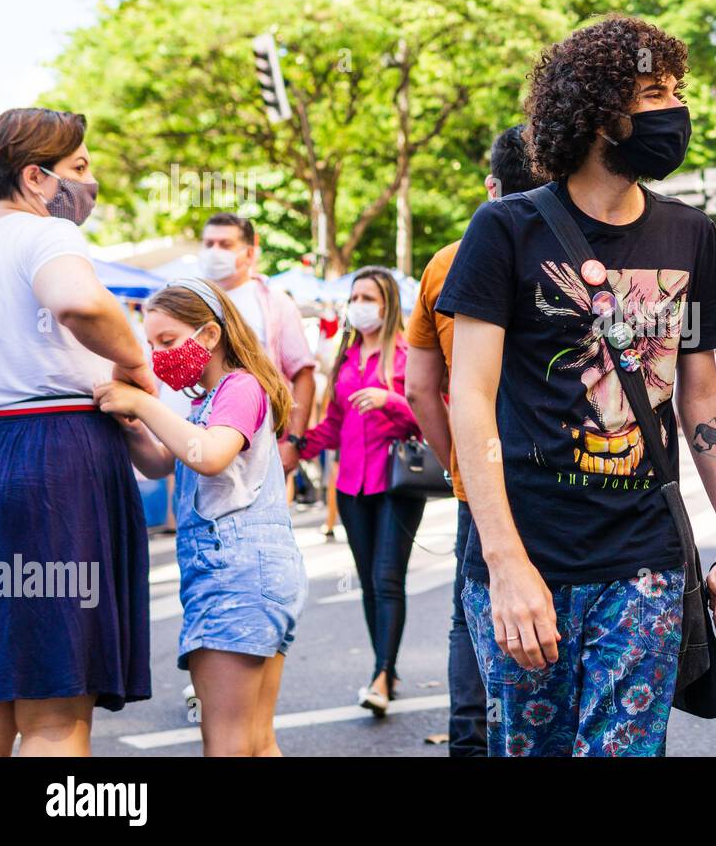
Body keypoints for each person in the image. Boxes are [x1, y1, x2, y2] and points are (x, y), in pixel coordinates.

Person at [436, 15, 716, 757]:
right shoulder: (506, 229)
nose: (674, 109)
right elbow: (471, 399)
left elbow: (702, 396)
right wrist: (505, 563)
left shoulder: (691, 235)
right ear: (594, 110)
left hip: (644, 559)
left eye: (677, 91)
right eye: (653, 93)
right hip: (530, 556)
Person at [0, 108, 154, 756]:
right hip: (54, 462)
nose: (89, 186)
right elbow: (79, 302)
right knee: (56, 718)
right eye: (80, 169)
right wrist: (137, 362)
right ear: (36, 178)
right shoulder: (45, 235)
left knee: (5, 702)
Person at [94, 277, 307, 756]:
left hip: (234, 579)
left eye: (167, 341)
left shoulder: (238, 387)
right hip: (255, 577)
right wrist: (133, 425)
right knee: (255, 740)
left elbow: (207, 456)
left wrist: (143, 402)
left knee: (227, 743)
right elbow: (160, 462)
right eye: (151, 345)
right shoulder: (205, 403)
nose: (159, 354)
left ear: (210, 335)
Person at [405, 124, 538, 755]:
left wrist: (459, 461)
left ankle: (470, 738)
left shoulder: (445, 264)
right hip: (569, 473)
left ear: (493, 186)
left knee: (473, 614)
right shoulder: (585, 258)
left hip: (479, 480)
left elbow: (419, 388)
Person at [297, 267, 424, 715]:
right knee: (371, 581)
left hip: (397, 483)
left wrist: (393, 401)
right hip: (351, 484)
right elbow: (333, 423)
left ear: (387, 305)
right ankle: (382, 668)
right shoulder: (347, 357)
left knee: (389, 578)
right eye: (354, 297)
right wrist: (296, 448)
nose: (358, 305)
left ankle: (382, 676)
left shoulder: (410, 354)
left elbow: (434, 413)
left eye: (367, 297)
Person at [198, 213, 317, 477]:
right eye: (208, 244)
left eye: (225, 245)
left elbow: (304, 375)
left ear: (250, 254)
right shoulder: (190, 302)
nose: (214, 252)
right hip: (194, 445)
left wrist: (294, 442)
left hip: (258, 450)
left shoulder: (275, 304)